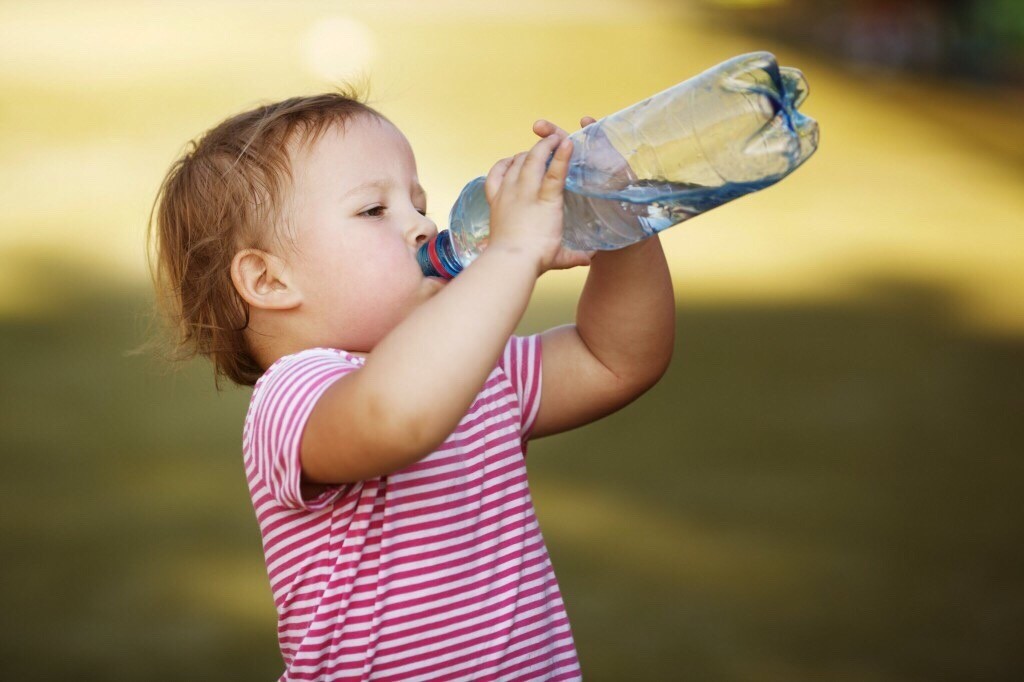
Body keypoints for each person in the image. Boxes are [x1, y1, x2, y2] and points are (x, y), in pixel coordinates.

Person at [149, 90, 675, 681]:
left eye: (418, 202)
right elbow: (397, 417)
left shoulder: (477, 370)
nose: (423, 224)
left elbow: (618, 360)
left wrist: (621, 222)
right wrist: (514, 250)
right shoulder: (293, 396)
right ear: (268, 279)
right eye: (375, 211)